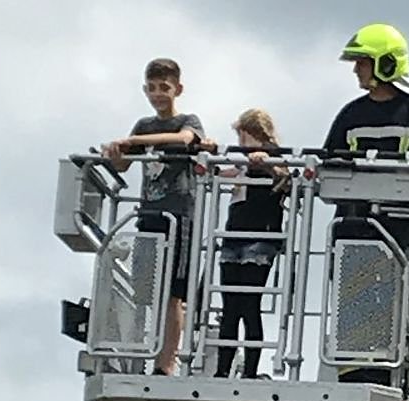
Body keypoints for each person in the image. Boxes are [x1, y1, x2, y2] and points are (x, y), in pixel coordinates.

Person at [323, 24, 409, 384]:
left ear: (384, 63)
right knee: (350, 298)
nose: (356, 70)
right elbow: (329, 162)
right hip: (353, 223)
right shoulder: (350, 114)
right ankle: (353, 368)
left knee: (387, 296)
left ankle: (381, 369)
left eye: (362, 62)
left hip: (397, 226)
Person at [102, 58, 207, 376]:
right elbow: (123, 166)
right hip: (149, 215)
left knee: (175, 293)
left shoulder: (188, 120)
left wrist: (134, 142)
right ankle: (141, 352)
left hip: (179, 217)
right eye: (151, 88)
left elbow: (185, 139)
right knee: (146, 289)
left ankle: (166, 362)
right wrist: (117, 153)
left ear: (178, 89)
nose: (157, 94)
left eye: (164, 88)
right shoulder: (143, 125)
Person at [214, 109, 287, 379]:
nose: (242, 143)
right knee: (230, 305)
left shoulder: (275, 155)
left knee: (249, 303)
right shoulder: (243, 161)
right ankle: (222, 369)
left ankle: (250, 370)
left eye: (244, 136)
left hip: (260, 236)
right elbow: (226, 173)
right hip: (235, 234)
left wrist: (265, 163)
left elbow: (284, 179)